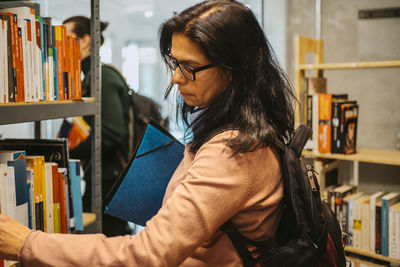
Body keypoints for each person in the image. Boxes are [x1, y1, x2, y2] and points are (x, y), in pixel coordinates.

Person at [0, 1, 296, 266]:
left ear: (233, 69)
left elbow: (147, 255)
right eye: (174, 62)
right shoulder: (251, 130)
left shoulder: (233, 151)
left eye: (189, 67)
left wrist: (28, 243)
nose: (176, 78)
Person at [63, 16, 132, 237]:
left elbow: (111, 134)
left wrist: (65, 152)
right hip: (96, 178)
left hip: (109, 183)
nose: (58, 46)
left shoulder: (102, 77)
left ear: (85, 40)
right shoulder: (86, 79)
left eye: (65, 38)